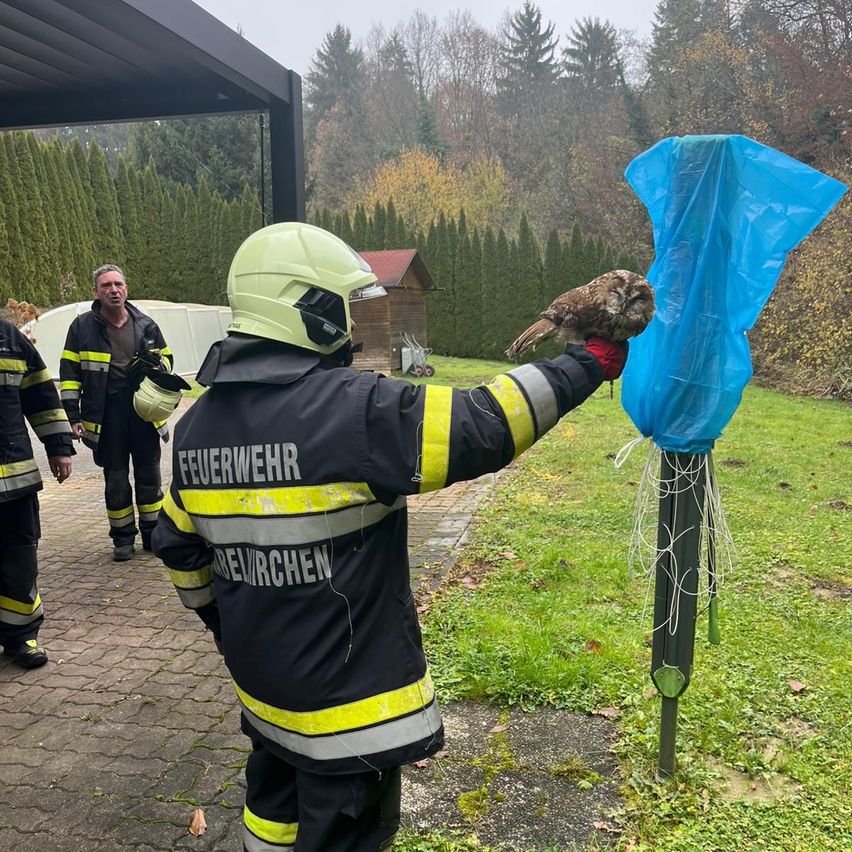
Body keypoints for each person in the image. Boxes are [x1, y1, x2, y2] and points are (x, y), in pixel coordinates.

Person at [153, 223, 630, 852]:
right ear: (307, 310)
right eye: (339, 307)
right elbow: (483, 425)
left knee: (270, 818)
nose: (349, 325)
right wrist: (584, 364)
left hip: (264, 694)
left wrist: (225, 623)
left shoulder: (193, 431)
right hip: (348, 721)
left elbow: (179, 553)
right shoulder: (354, 411)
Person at [60, 265, 173, 561]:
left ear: (126, 288)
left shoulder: (146, 324)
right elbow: (69, 374)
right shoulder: (81, 327)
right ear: (95, 292)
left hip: (142, 411)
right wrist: (72, 416)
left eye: (118, 284)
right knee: (117, 479)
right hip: (106, 414)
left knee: (150, 476)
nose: (114, 290)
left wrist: (158, 366)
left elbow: (169, 358)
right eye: (107, 285)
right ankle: (122, 538)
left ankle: (152, 534)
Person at [1, 318, 73, 668]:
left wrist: (58, 445)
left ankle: (20, 636)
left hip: (14, 481)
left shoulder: (9, 338)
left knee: (19, 561)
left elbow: (40, 392)